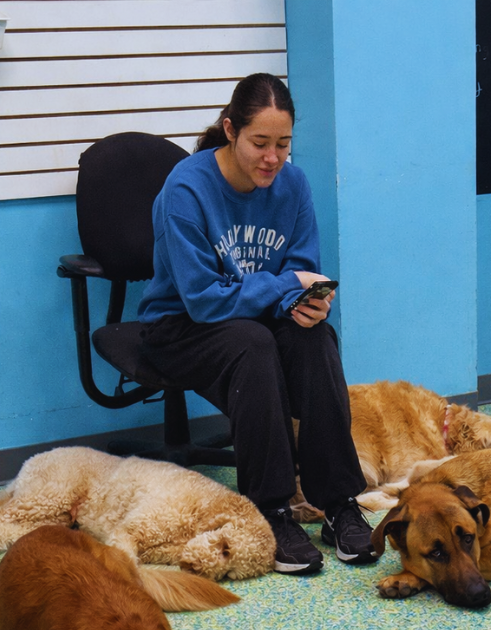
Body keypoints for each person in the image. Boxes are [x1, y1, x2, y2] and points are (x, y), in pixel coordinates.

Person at [137, 73, 377, 575]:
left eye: (283, 144)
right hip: (177, 327)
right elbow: (202, 300)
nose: (273, 158)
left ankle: (338, 504)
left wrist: (307, 304)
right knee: (253, 343)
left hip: (252, 319)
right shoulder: (185, 188)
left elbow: (299, 273)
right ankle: (269, 510)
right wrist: (283, 285)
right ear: (230, 130)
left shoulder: (293, 183)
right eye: (260, 143)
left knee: (314, 337)